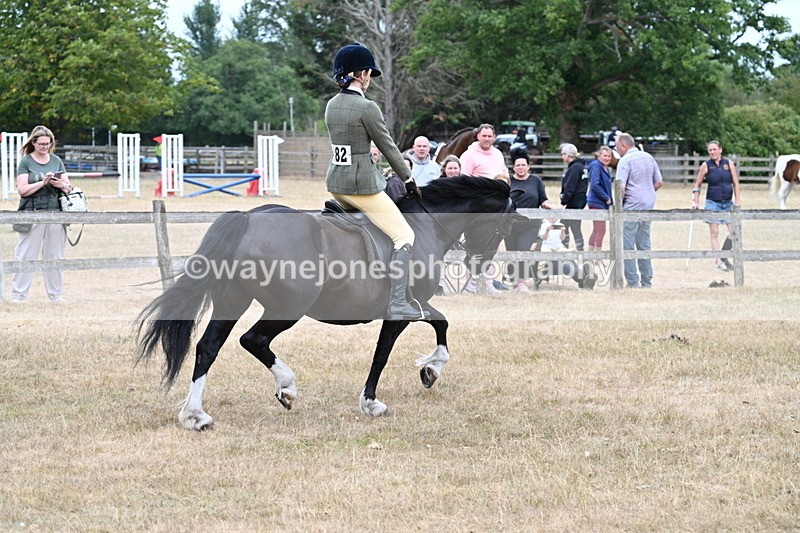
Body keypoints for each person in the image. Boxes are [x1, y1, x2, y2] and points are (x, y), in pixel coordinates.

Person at [325, 43, 426, 321]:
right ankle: (397, 303)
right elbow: (389, 147)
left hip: (336, 185)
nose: (369, 78)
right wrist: (408, 177)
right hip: (361, 189)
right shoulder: (366, 107)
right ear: (361, 74)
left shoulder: (332, 105)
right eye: (368, 72)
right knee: (404, 235)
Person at [12, 125, 73, 303]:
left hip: (55, 212)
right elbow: (22, 190)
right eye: (42, 144)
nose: (45, 147)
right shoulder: (26, 162)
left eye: (48, 144)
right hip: (32, 211)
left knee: (54, 255)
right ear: (34, 142)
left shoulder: (56, 160)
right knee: (26, 254)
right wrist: (42, 182)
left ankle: (56, 294)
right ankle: (19, 294)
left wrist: (60, 185)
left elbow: (68, 187)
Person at [459, 124, 509, 294]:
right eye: (484, 136)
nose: (487, 139)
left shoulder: (497, 154)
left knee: (492, 245)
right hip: (478, 208)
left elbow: (504, 174)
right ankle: (473, 284)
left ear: (494, 137)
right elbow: (464, 182)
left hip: (497, 206)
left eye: (490, 136)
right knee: (479, 245)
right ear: (478, 136)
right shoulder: (469, 155)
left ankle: (487, 284)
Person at [616, 132, 663, 288]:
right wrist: (647, 194)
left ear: (624, 145)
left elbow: (620, 188)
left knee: (627, 246)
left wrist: (621, 204)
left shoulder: (625, 161)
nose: (618, 150)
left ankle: (633, 282)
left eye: (618, 147)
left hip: (631, 208)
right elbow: (658, 182)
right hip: (648, 207)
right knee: (644, 244)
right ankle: (646, 281)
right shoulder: (649, 157)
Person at [505, 153, 552, 292]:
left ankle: (522, 282)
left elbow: (543, 199)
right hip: (511, 224)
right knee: (512, 252)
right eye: (518, 165)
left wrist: (547, 205)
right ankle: (514, 283)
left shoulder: (536, 181)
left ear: (528, 166)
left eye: (523, 165)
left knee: (523, 250)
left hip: (531, 224)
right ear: (513, 167)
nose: (521, 168)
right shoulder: (508, 182)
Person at [691, 140, 741, 271]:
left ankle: (723, 255)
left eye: (714, 149)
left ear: (720, 150)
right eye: (710, 150)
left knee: (734, 232)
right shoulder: (706, 166)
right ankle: (718, 262)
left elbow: (736, 184)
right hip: (713, 203)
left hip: (728, 203)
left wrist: (737, 201)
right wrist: (695, 200)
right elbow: (697, 185)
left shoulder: (729, 164)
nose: (712, 152)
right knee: (715, 233)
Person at [558, 143, 588, 251]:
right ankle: (572, 248)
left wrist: (563, 201)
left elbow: (570, 186)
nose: (562, 156)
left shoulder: (575, 168)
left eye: (562, 154)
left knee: (568, 225)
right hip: (580, 199)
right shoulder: (581, 166)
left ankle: (571, 248)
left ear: (567, 155)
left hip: (574, 201)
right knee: (569, 224)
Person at [586, 146, 614, 250]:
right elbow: (595, 185)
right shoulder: (596, 166)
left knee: (597, 229)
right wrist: (607, 198)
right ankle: (597, 256)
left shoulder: (605, 168)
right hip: (597, 202)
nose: (607, 158)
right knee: (601, 230)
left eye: (609, 156)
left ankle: (591, 253)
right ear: (599, 155)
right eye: (605, 155)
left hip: (600, 202)